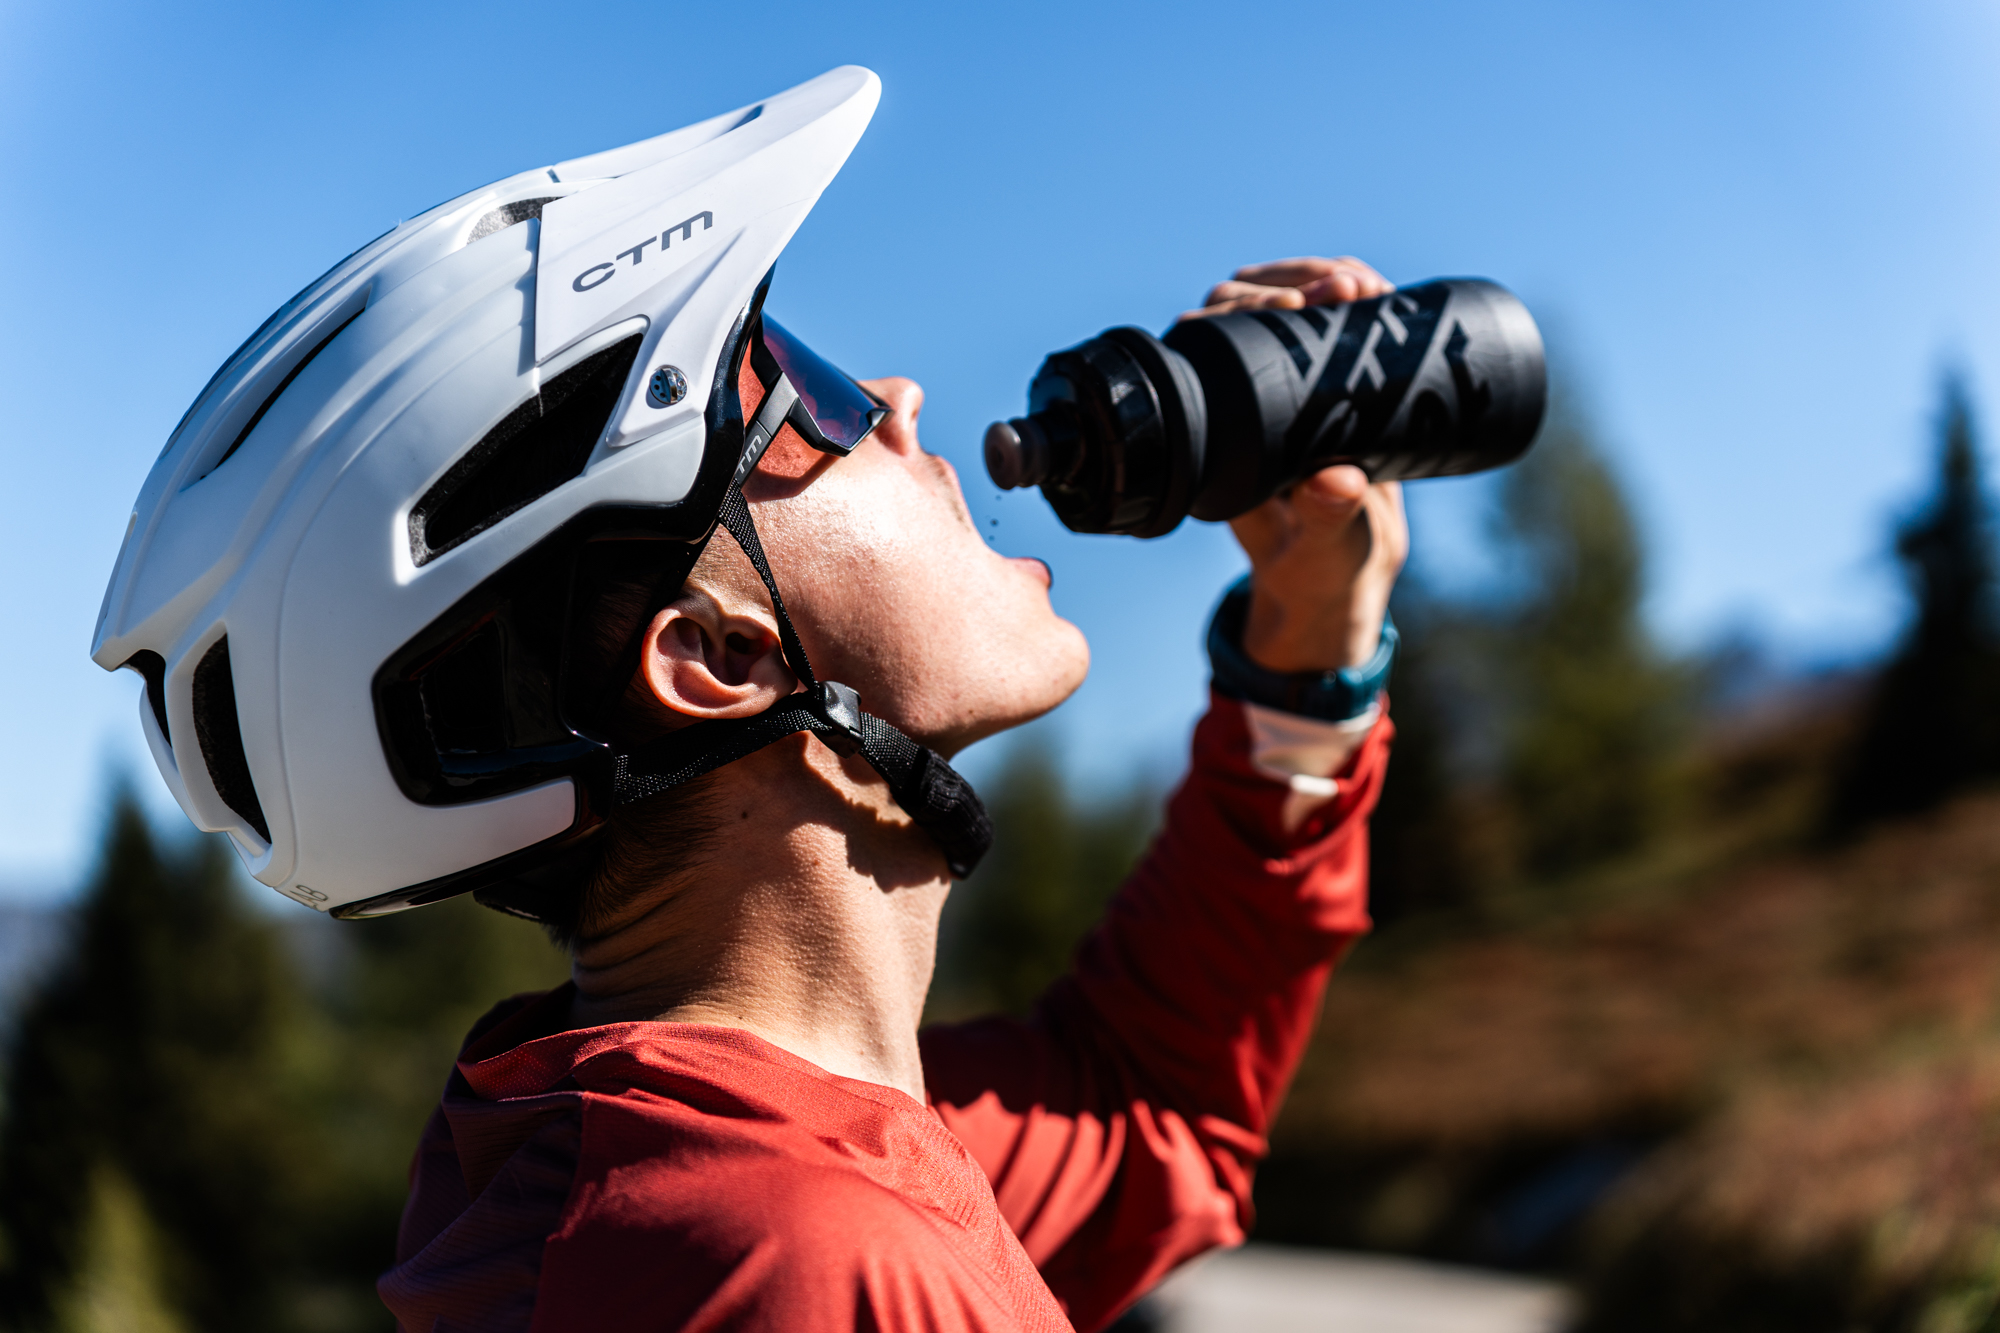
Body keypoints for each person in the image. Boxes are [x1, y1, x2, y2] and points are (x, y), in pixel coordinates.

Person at [92, 68, 1404, 1332]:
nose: (897, 399)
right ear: (722, 658)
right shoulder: (780, 1268)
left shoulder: (746, 1169)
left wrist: (1308, 654)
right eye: (812, 399)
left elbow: (1150, 1117)